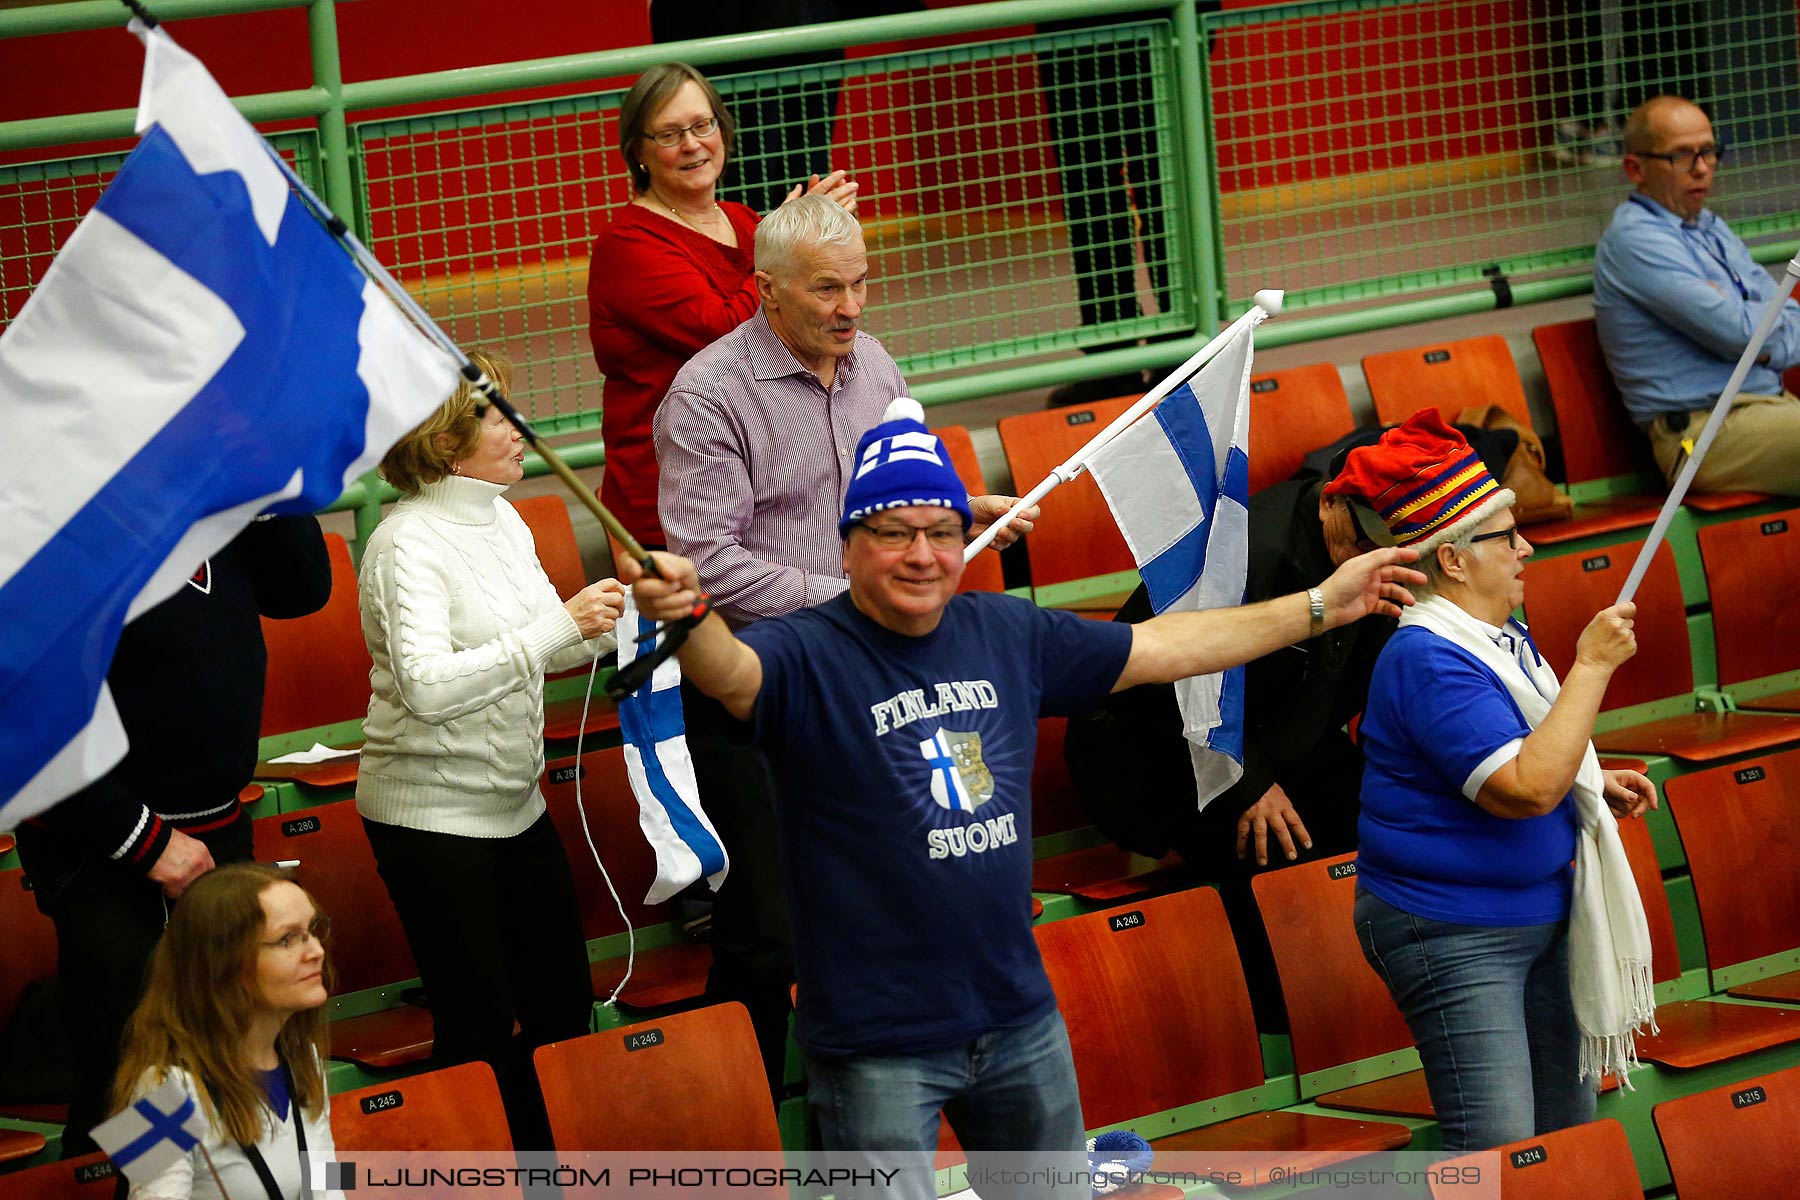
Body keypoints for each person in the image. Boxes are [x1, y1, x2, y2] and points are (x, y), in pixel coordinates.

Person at [628, 398, 1423, 1193]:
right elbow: (733, 679)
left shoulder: (1005, 631)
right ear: (848, 543)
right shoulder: (807, 651)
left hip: (1018, 1020)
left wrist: (1323, 606)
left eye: (941, 532)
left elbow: (1169, 645)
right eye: (893, 532)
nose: (921, 554)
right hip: (878, 1042)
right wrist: (689, 616)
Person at [653, 194, 1037, 1092]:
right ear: (767, 292)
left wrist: (955, 515)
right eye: (829, 289)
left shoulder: (878, 370)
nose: (852, 309)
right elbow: (710, 564)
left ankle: (865, 1111)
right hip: (765, 687)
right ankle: (750, 1129)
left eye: (861, 284)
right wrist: (859, 599)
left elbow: (902, 488)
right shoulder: (707, 397)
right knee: (768, 923)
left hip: (880, 677)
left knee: (889, 894)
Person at [1340, 409, 1658, 1153]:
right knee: (1497, 1147)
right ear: (1453, 561)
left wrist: (1589, 777)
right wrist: (1593, 666)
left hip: (1540, 911)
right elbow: (1522, 788)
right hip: (1453, 931)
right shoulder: (1426, 658)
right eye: (1506, 537)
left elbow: (1537, 758)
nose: (1526, 546)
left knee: (1564, 1137)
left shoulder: (1495, 634)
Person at [356, 349, 624, 1148]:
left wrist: (626, 613)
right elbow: (430, 691)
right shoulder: (405, 545)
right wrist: (559, 625)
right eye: (496, 415)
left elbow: (556, 644)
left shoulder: (501, 517)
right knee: (478, 1030)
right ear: (443, 443)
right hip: (430, 820)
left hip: (515, 805)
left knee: (561, 1006)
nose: (520, 429)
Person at [13, 515, 329, 1158]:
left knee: (241, 1050)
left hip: (219, 833)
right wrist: (145, 843)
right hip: (106, 848)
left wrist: (268, 487)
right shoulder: (61, 530)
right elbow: (30, 716)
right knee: (130, 1078)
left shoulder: (217, 499)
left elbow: (303, 591)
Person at [1062, 457, 1398, 1028]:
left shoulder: (1374, 561)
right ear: (1328, 503)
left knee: (1378, 813)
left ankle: (1372, 998)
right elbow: (1170, 682)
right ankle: (1275, 1022)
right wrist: (1248, 783)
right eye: (1361, 539)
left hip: (1271, 723)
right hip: (1155, 740)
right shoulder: (1245, 554)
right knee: (1269, 842)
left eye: (1382, 549)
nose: (1366, 558)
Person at [587, 62, 858, 548]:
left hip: (771, 481)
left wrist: (802, 245)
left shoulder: (742, 218)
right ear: (640, 152)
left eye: (702, 124)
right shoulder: (626, 245)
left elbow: (798, 317)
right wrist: (791, 247)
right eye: (669, 134)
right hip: (681, 498)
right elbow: (725, 332)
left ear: (722, 131)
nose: (692, 144)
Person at [1593, 95, 1800, 496]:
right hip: (1703, 433)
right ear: (1635, 168)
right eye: (1682, 156)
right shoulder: (1635, 240)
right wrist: (1757, 329)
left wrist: (1758, 331)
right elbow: (1743, 334)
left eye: (1708, 151)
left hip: (1772, 407)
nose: (1702, 169)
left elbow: (1781, 315)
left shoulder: (1708, 226)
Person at [110, 863, 336, 1200]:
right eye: (289, 938)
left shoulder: (306, 1056)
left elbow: (328, 1187)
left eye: (314, 930)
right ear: (225, 965)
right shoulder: (156, 1090)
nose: (316, 951)